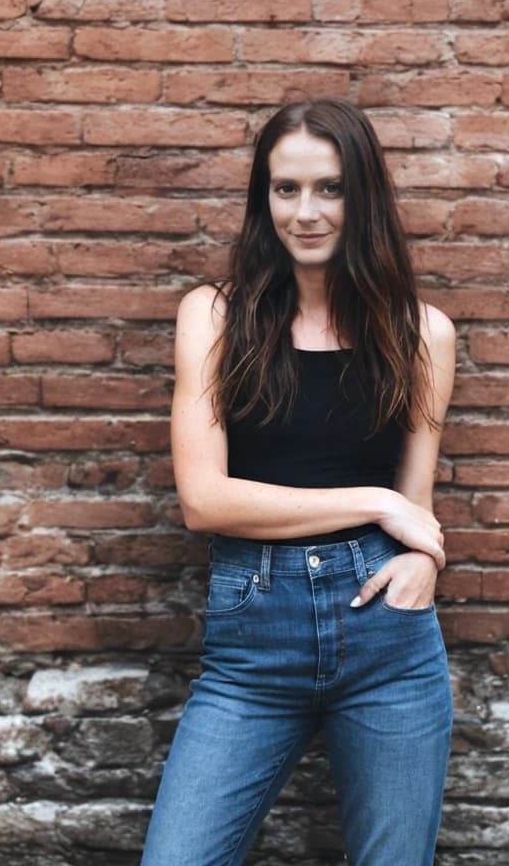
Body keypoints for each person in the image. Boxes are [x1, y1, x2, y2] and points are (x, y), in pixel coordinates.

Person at [141, 98, 456, 866]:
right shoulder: (214, 318)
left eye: (331, 188)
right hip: (253, 640)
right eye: (287, 189)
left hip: (388, 639)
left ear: (364, 198)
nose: (307, 212)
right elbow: (204, 500)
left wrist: (423, 560)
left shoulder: (423, 334)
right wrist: (374, 502)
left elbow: (418, 507)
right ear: (264, 198)